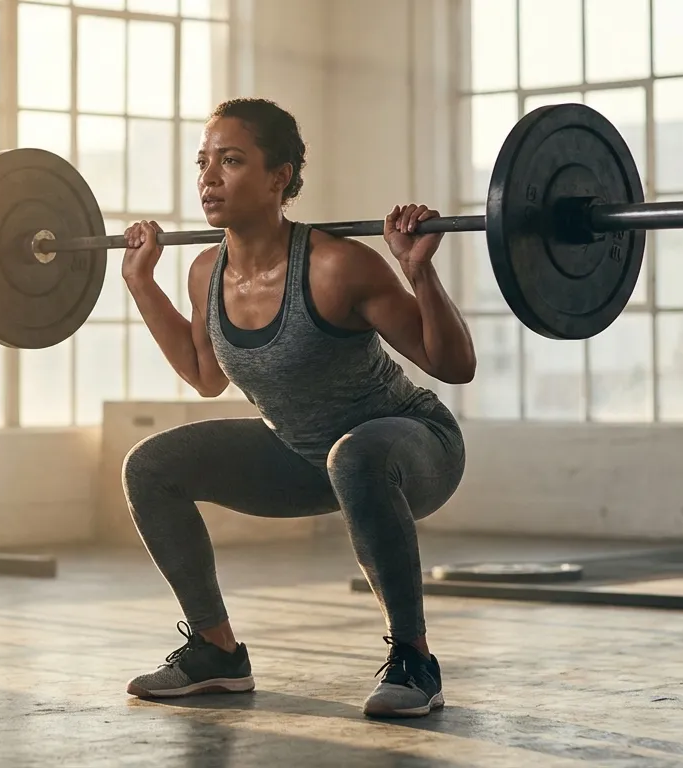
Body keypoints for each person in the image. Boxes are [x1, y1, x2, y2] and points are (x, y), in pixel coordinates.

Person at [118, 97, 475, 719]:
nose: (209, 178)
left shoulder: (337, 266)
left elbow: (454, 366)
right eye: (203, 162)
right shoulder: (206, 272)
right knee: (149, 467)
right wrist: (141, 283)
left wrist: (418, 273)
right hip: (304, 455)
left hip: (412, 448)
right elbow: (204, 376)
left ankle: (415, 660)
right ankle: (216, 651)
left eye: (231, 161)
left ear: (279, 177)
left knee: (355, 455)